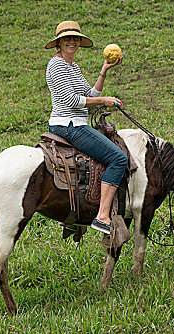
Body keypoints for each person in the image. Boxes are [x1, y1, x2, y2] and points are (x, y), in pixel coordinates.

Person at [45, 20, 128, 234]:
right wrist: (105, 101)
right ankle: (102, 216)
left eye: (75, 38)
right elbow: (71, 100)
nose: (72, 41)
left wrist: (104, 70)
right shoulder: (56, 65)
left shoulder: (72, 66)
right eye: (67, 38)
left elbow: (90, 95)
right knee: (118, 158)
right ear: (59, 43)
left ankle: (75, 212)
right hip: (69, 125)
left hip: (74, 123)